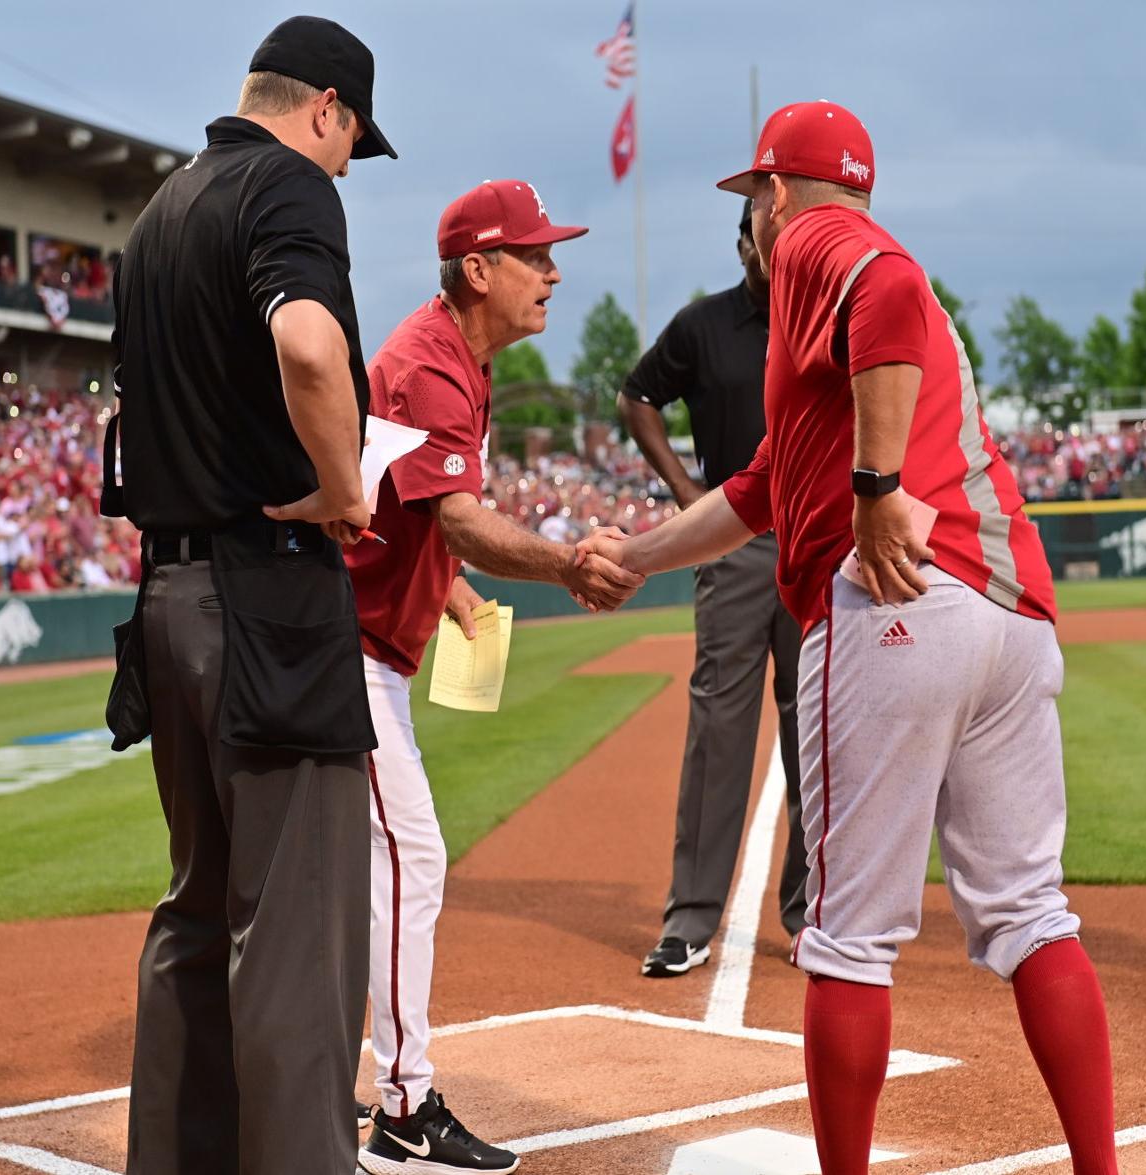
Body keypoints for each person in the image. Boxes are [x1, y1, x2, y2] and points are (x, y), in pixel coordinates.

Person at [580, 101, 1118, 1175]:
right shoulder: (818, 321)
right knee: (1028, 913)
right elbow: (763, 486)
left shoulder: (823, 246)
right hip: (1005, 610)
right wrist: (636, 554)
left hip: (898, 608)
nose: (756, 223)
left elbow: (892, 289)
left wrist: (875, 489)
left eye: (754, 201)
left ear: (778, 194)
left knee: (845, 938)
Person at [106, 15, 398, 1174]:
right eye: (349, 141)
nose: (343, 166)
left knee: (194, 910)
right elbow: (313, 351)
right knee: (293, 936)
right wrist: (340, 486)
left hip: (167, 596)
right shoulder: (282, 186)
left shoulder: (157, 210)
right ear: (324, 106)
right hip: (264, 599)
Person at [348, 179, 639, 1175]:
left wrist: (451, 586)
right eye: (534, 254)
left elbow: (408, 512)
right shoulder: (431, 362)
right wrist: (563, 562)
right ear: (479, 269)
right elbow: (458, 514)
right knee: (410, 858)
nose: (553, 270)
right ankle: (400, 1107)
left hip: (352, 639)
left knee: (365, 869)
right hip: (336, 650)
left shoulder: (449, 353)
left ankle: (327, 1076)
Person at [618, 198, 807, 979]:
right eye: (762, 236)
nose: (773, 248)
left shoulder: (822, 319)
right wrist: (685, 492)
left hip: (812, 544)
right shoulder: (702, 326)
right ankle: (691, 918)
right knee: (717, 728)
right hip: (731, 542)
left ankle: (815, 914)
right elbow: (636, 396)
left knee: (818, 733)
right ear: (742, 247)